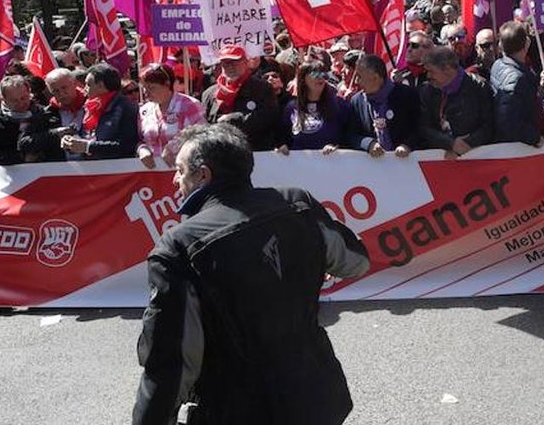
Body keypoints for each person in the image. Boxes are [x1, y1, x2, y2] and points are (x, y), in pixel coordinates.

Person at [131, 124, 370, 425]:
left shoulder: (178, 246)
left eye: (179, 169)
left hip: (239, 408)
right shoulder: (296, 202)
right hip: (317, 393)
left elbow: (171, 363)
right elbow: (355, 261)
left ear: (203, 175)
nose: (174, 178)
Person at [417, 46, 495, 158]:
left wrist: (467, 144)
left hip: (476, 157)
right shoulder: (428, 90)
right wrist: (450, 143)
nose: (428, 76)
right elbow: (424, 127)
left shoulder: (479, 87)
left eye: (431, 71)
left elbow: (489, 125)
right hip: (442, 159)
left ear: (447, 68)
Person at [201, 45, 279, 151]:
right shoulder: (209, 94)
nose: (230, 66)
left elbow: (268, 116)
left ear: (245, 62)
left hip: (254, 152)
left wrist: (232, 119)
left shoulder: (262, 88)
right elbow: (204, 124)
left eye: (235, 62)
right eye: (226, 63)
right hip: (220, 154)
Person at [61, 63, 141, 160]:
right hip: (94, 168)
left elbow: (127, 146)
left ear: (100, 86)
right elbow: (87, 136)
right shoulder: (89, 107)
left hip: (118, 171)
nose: (84, 89)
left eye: (88, 84)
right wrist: (72, 142)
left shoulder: (126, 107)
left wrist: (88, 147)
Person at [0, 75, 61, 165]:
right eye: (14, 100)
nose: (21, 103)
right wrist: (21, 157)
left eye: (23, 98)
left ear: (29, 93)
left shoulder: (45, 114)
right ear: (4, 99)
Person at [137, 63, 206, 169]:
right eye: (144, 88)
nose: (146, 93)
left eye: (151, 88)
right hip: (153, 175)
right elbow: (140, 139)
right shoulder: (144, 110)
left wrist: (174, 147)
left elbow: (202, 136)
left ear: (167, 84)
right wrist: (142, 149)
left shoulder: (189, 105)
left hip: (184, 171)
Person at [349, 54, 418, 157]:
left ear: (376, 77)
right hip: (372, 166)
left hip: (406, 164)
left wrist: (407, 145)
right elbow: (351, 135)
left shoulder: (407, 95)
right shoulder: (357, 101)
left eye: (359, 76)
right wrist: (368, 144)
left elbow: (420, 128)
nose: (356, 82)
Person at [490, 21, 544, 147]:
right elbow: (508, 120)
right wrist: (534, 138)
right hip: (517, 147)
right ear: (526, 44)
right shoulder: (516, 79)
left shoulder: (498, 64)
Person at [278, 61, 352, 154]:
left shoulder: (340, 105)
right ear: (303, 79)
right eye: (315, 73)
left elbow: (351, 136)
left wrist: (337, 146)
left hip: (331, 164)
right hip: (299, 165)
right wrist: (283, 146)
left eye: (323, 74)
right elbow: (282, 136)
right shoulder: (291, 107)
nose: (320, 77)